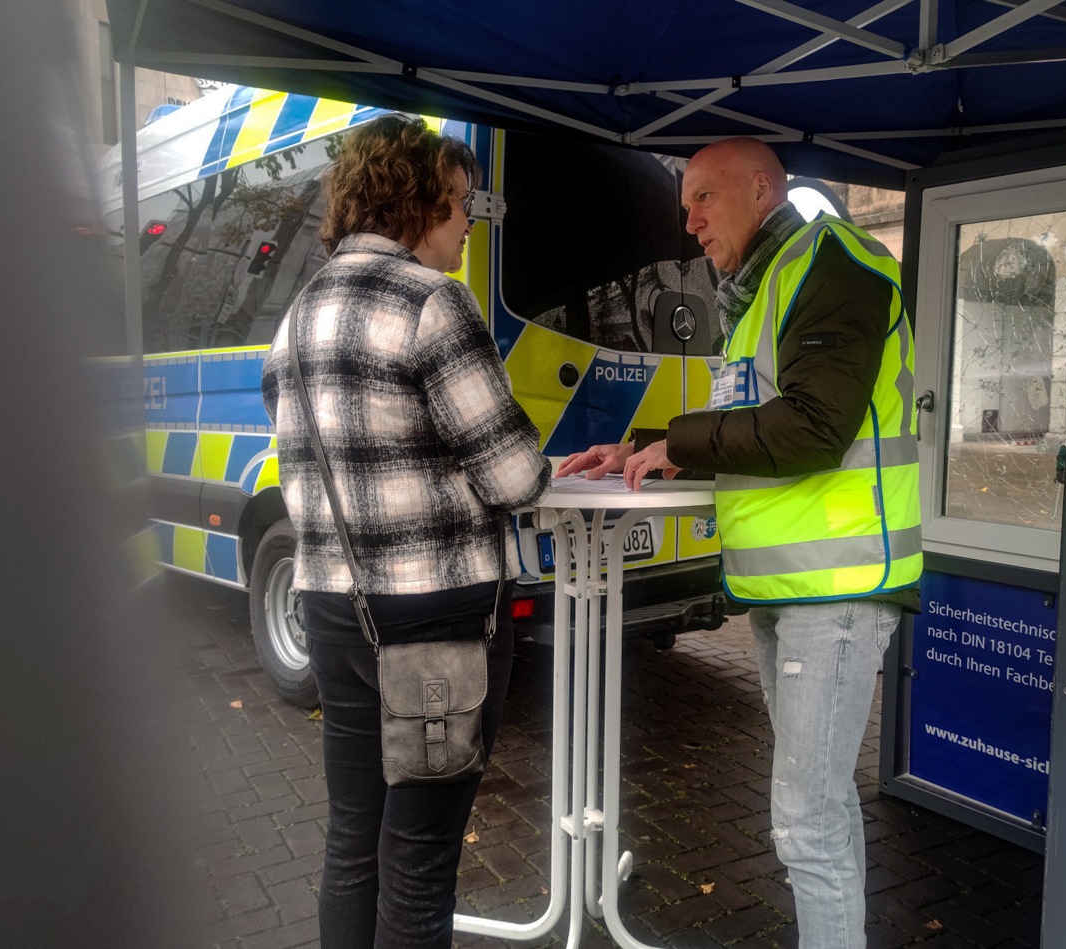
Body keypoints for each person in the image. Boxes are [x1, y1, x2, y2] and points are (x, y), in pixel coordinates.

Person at [557, 137, 921, 948]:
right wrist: (645, 444)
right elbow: (752, 418)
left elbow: (814, 426)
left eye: (701, 199)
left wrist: (680, 443)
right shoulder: (765, 284)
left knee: (804, 821)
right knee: (819, 810)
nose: (688, 223)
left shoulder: (833, 266)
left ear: (762, 189)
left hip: (838, 585)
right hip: (787, 587)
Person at [261, 115, 550, 949]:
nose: (468, 221)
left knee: (353, 841)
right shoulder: (433, 304)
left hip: (330, 609)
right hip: (434, 623)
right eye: (460, 204)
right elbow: (514, 477)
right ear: (414, 198)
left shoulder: (297, 317)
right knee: (420, 861)